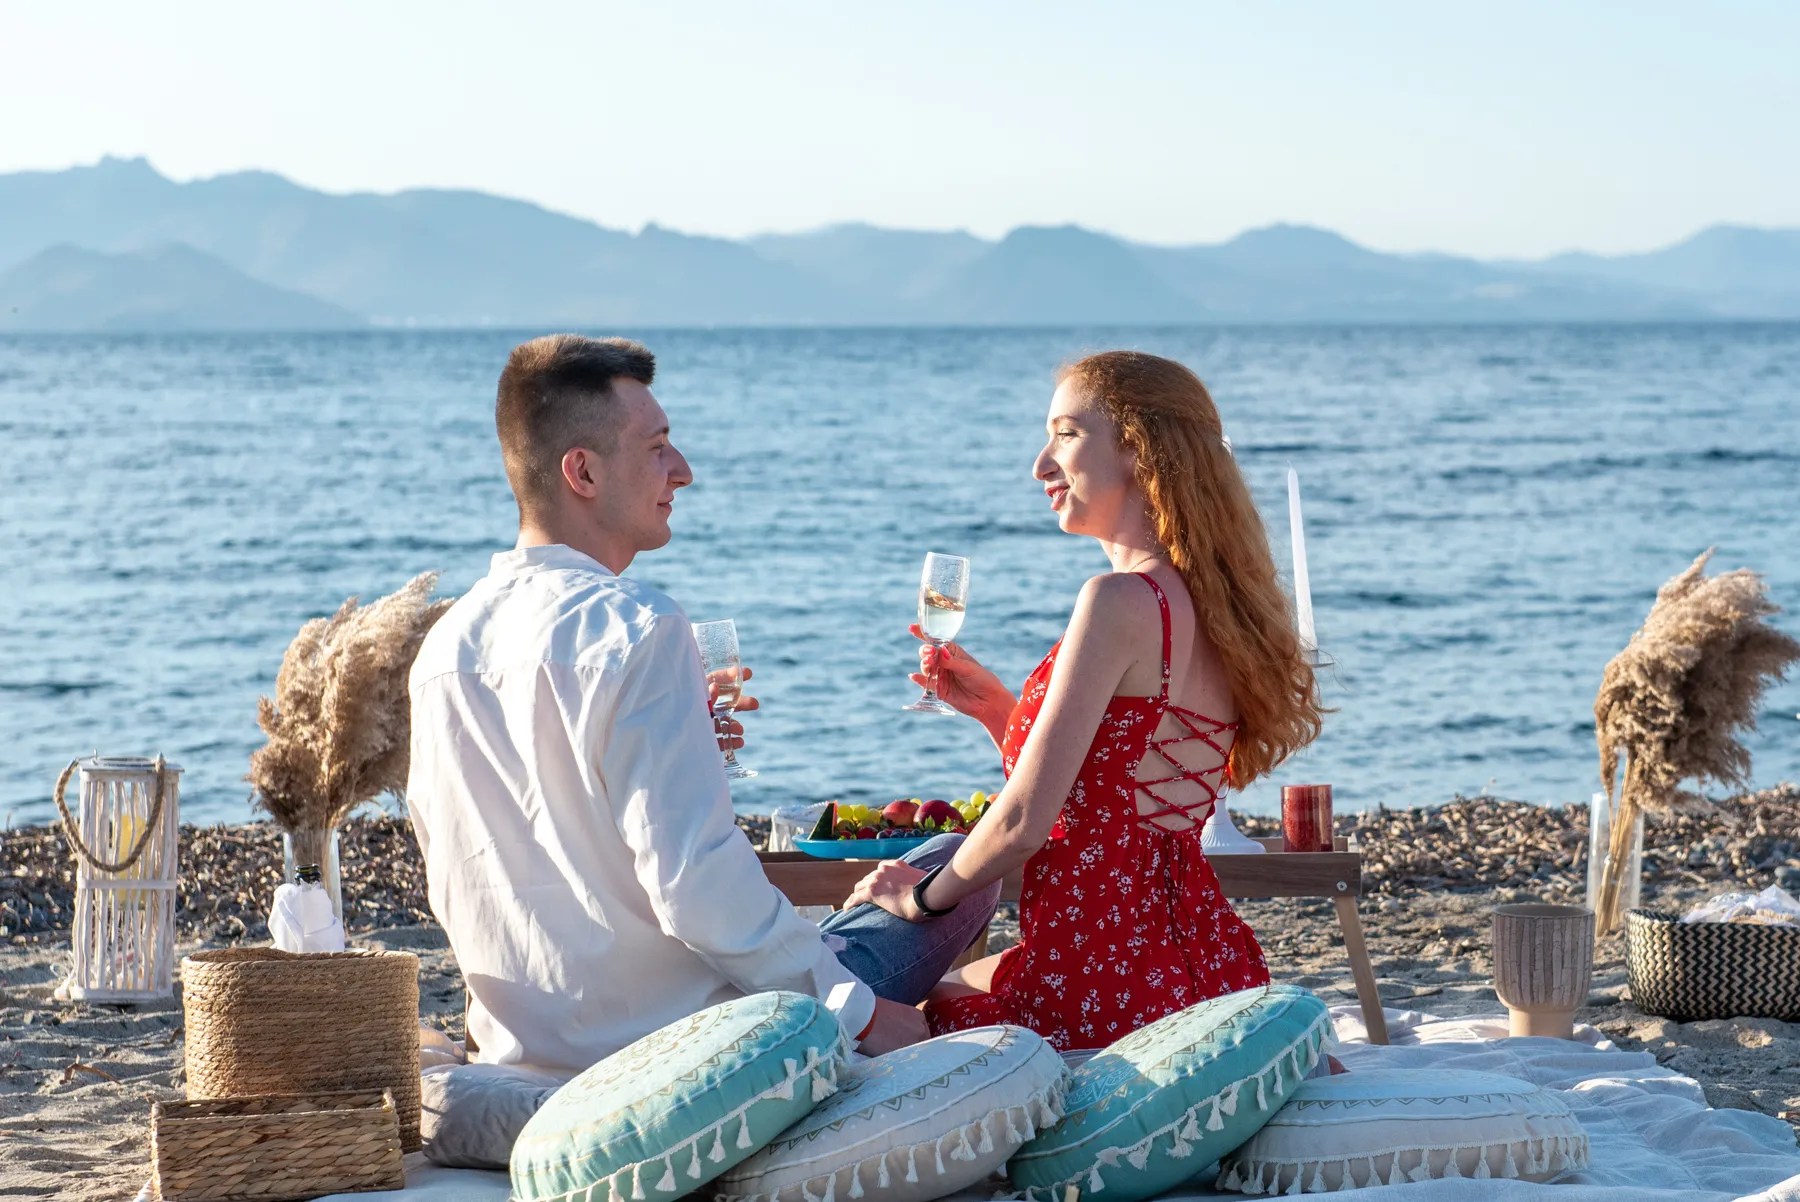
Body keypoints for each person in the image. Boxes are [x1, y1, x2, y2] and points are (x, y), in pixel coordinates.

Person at [405, 334, 997, 1077]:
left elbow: (473, 862)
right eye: (657, 448)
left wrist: (688, 749)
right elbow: (696, 888)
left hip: (522, 1050)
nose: (682, 470)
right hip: (693, 1042)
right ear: (582, 471)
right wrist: (864, 1014)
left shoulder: (445, 648)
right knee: (960, 867)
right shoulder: (637, 626)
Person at [844, 350, 1325, 1052]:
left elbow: (1024, 825)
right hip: (1201, 958)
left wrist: (916, 899)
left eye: (1065, 434)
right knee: (944, 989)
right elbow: (1108, 786)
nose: (1040, 465)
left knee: (878, 1010)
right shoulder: (1217, 606)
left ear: (1139, 448)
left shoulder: (1118, 599)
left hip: (1100, 962)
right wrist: (999, 711)